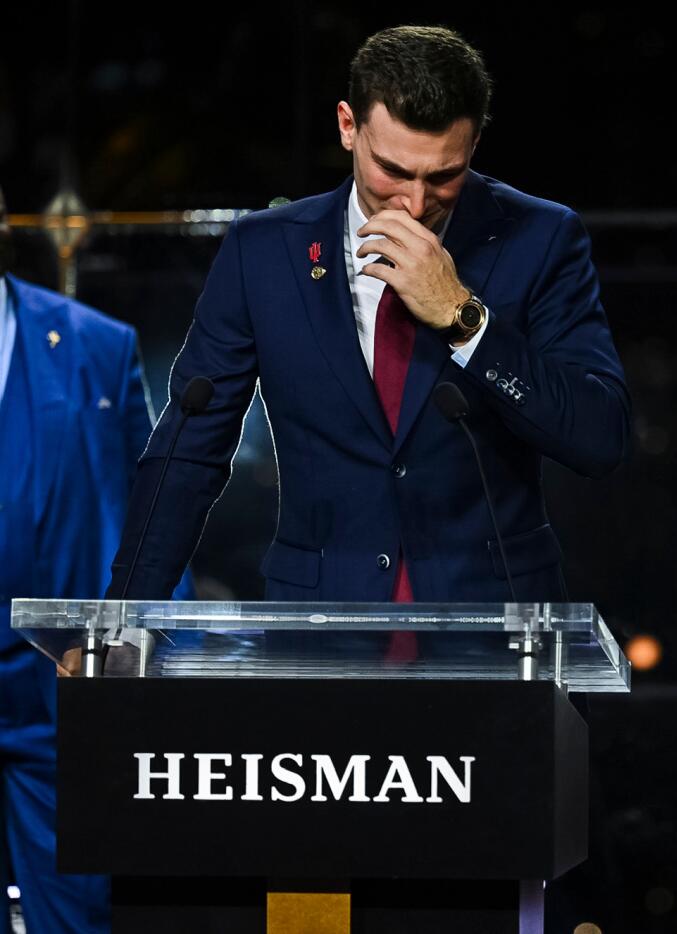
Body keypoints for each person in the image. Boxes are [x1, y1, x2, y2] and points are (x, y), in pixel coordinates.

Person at [107, 24, 630, 604]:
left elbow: (598, 437)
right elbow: (188, 450)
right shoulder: (265, 252)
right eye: (394, 171)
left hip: (492, 620)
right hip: (322, 619)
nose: (416, 202)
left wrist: (464, 319)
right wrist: (126, 615)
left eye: (444, 175)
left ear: (475, 143)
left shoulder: (541, 238)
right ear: (347, 126)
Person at [0, 183, 169, 932]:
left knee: (80, 917)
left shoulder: (98, 346)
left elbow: (155, 516)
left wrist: (144, 644)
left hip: (66, 694)